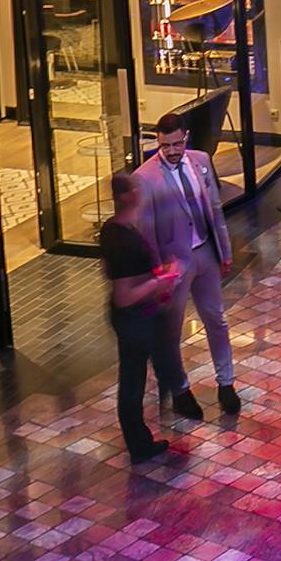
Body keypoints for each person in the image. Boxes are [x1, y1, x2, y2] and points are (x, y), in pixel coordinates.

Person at [141, 113, 240, 417]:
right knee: (172, 331)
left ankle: (226, 383)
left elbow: (214, 209)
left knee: (217, 320)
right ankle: (180, 389)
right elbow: (147, 232)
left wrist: (224, 251)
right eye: (164, 145)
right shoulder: (145, 177)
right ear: (158, 142)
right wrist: (159, 272)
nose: (171, 150)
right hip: (175, 264)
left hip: (206, 253)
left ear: (185, 136)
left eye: (176, 143)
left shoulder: (201, 160)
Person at [100, 170, 186, 464]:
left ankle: (144, 434)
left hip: (137, 318)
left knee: (137, 375)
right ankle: (139, 442)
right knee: (134, 379)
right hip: (135, 319)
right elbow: (123, 296)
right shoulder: (121, 238)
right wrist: (156, 283)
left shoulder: (114, 229)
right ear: (132, 195)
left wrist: (157, 275)